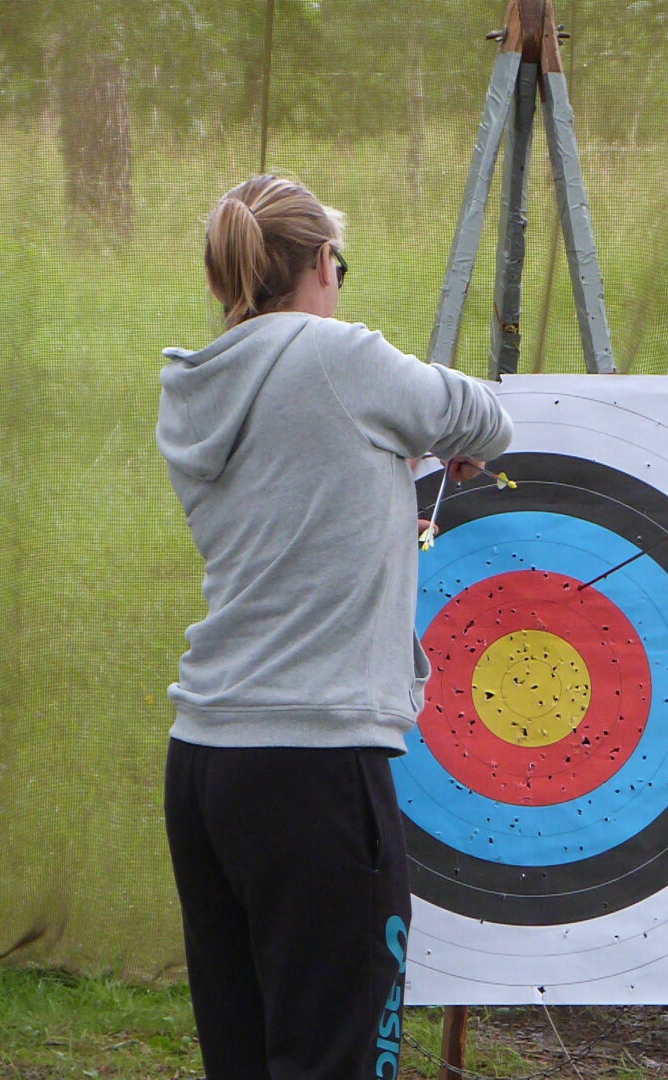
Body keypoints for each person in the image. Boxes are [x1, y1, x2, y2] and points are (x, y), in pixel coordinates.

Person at [156, 174, 512, 1080]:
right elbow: (484, 418)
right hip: (313, 768)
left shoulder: (195, 388)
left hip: (206, 762)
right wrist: (426, 433)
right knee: (339, 1060)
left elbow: (309, 459)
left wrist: (400, 437)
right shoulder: (339, 358)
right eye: (339, 266)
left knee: (249, 1058)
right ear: (322, 261)